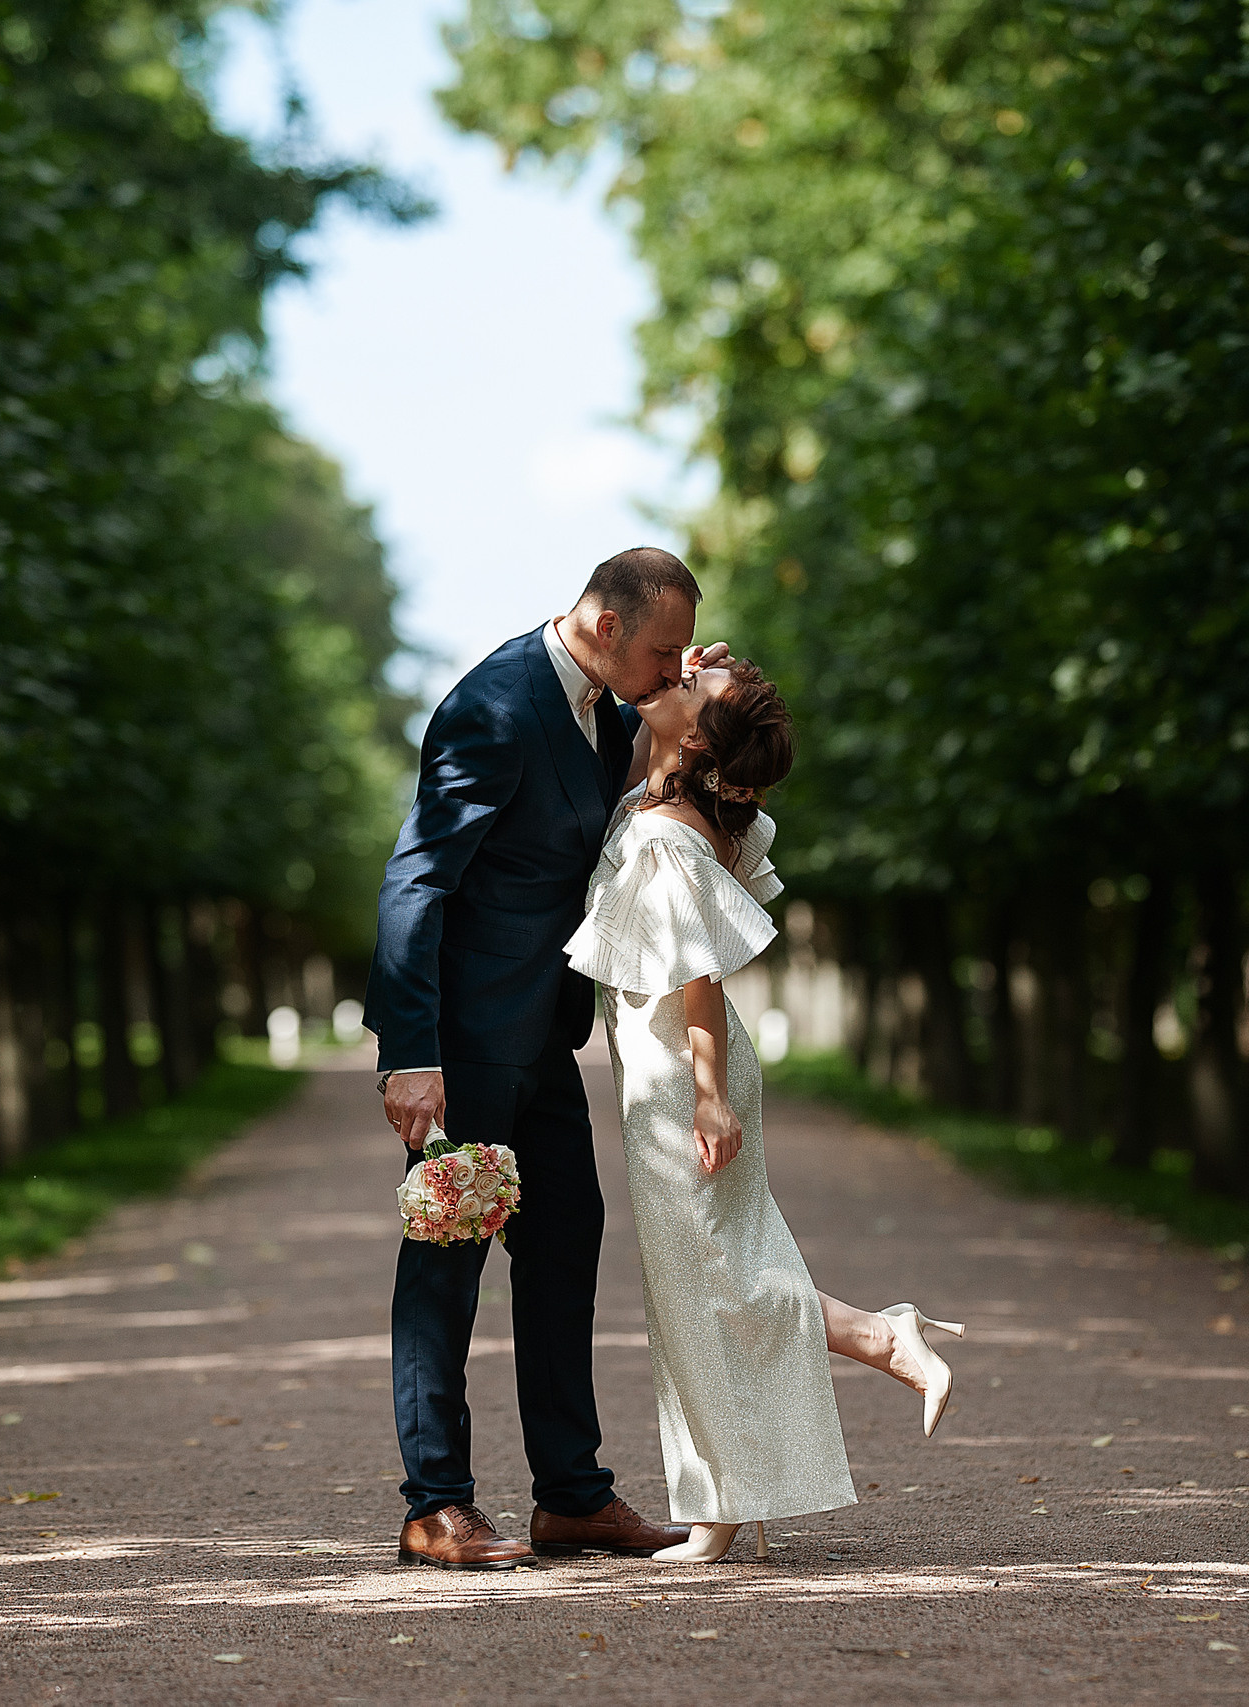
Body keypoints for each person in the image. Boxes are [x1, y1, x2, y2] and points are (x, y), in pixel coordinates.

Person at [366, 546, 725, 1571]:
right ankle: (434, 1505)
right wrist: (409, 1051)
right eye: (659, 651)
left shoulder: (611, 702)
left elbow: (628, 779)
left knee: (567, 1247)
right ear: (607, 627)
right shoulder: (494, 703)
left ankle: (571, 1497)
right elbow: (417, 879)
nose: (667, 670)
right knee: (445, 1262)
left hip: (544, 1038)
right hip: (466, 1043)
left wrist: (690, 698)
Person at [562, 655, 962, 1564]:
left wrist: (708, 1099)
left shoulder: (669, 830)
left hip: (680, 1072)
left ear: (699, 737)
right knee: (713, 1277)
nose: (664, 677)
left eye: (684, 685)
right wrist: (701, 683)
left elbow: (697, 977)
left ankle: (867, 1348)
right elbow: (661, 718)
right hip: (672, 1068)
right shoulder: (674, 795)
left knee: (708, 1283)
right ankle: (732, 1494)